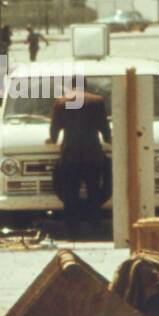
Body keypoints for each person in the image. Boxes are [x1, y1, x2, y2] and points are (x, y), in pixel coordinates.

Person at [46, 87, 111, 237]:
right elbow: (103, 125)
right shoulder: (96, 101)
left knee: (70, 192)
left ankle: (71, 227)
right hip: (92, 153)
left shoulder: (61, 102)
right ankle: (94, 224)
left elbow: (55, 127)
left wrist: (53, 139)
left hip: (70, 153)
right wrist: (108, 138)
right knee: (93, 189)